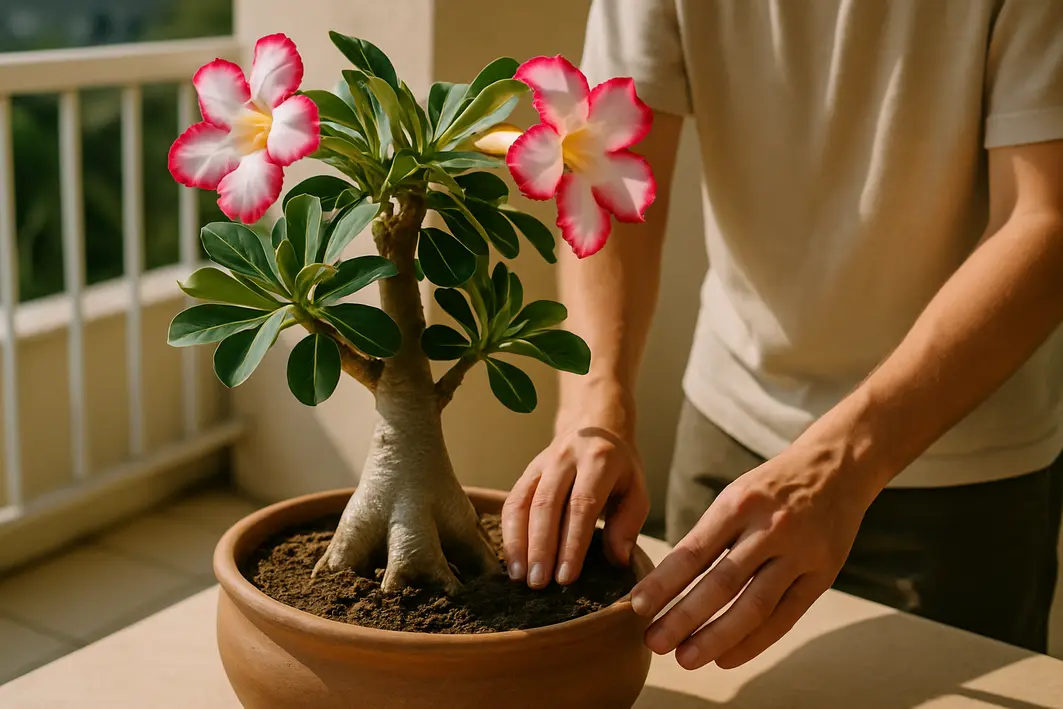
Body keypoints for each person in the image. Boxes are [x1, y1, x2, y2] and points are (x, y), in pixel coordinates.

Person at [501, 0, 1063, 670]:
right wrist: (593, 407)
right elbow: (605, 167)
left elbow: (1044, 219)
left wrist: (842, 461)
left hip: (956, 467)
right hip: (728, 434)